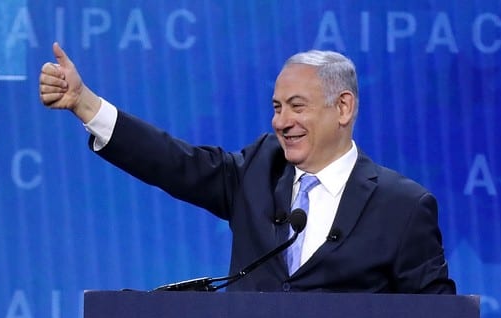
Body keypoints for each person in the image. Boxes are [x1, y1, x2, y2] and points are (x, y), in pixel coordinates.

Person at [39, 44, 455, 294]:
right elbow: (174, 163)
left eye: (297, 106)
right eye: (277, 107)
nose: (281, 121)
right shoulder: (259, 169)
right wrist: (85, 105)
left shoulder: (402, 206)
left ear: (343, 107)